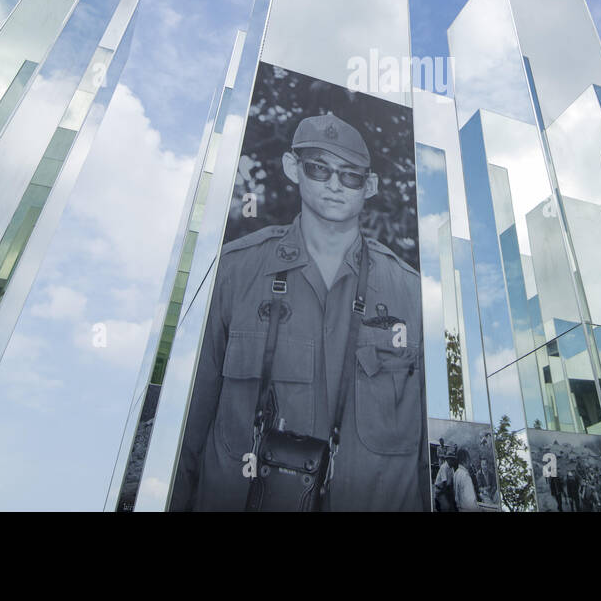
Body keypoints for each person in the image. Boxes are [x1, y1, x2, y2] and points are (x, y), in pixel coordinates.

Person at [175, 113, 426, 511]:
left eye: (350, 176)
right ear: (294, 168)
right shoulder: (236, 270)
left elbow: (425, 452)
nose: (333, 185)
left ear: (370, 186)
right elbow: (189, 420)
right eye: (319, 169)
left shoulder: (411, 293)